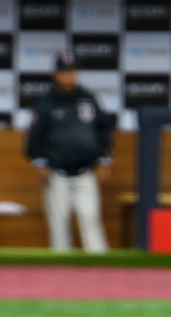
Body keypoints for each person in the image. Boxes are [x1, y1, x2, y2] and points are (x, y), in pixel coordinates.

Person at [26, 50, 112, 252]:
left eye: (73, 71)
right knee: (59, 223)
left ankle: (100, 270)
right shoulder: (46, 103)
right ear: (55, 74)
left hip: (85, 172)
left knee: (90, 218)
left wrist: (105, 160)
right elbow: (34, 137)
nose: (69, 76)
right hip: (57, 174)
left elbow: (103, 130)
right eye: (64, 72)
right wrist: (39, 161)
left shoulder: (88, 98)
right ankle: (59, 271)